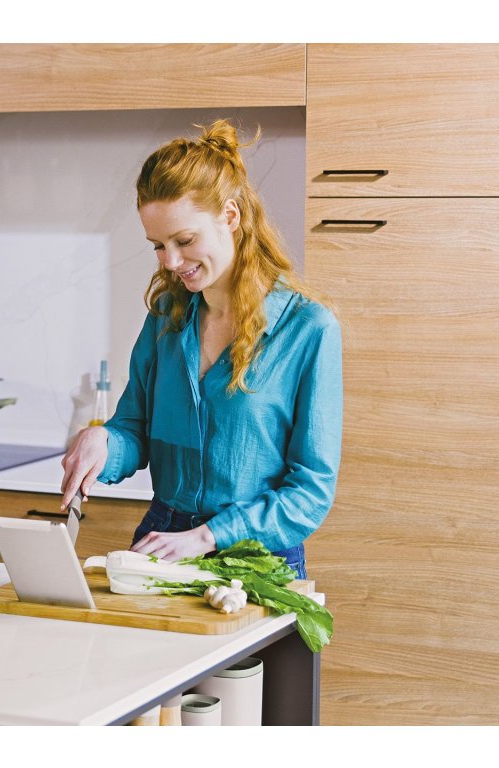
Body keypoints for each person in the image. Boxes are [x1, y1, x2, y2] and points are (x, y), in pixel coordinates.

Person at [59, 119, 342, 579]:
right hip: (163, 537)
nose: (171, 261)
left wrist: (209, 536)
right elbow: (135, 429)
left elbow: (310, 492)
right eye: (158, 246)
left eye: (185, 241)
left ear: (230, 217)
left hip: (255, 557)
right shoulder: (167, 317)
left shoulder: (308, 329)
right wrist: (103, 443)